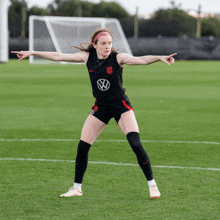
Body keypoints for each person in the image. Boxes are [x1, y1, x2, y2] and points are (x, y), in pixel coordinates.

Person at [12, 28, 177, 199]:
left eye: (110, 43)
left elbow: (140, 60)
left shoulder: (118, 58)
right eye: (103, 44)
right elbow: (58, 56)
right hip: (101, 107)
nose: (107, 47)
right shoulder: (87, 57)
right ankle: (76, 188)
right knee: (83, 147)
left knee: (135, 144)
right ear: (95, 45)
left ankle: (152, 185)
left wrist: (159, 57)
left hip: (120, 106)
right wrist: (31, 52)